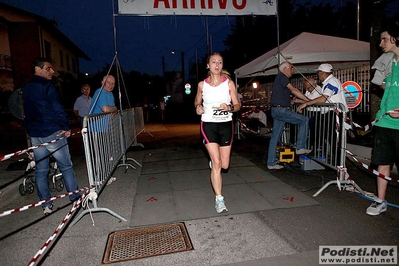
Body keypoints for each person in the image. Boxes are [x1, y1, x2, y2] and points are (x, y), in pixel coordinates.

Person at [22, 57, 80, 215]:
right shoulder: (47, 86)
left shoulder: (26, 88)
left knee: (41, 170)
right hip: (52, 132)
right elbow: (56, 107)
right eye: (48, 68)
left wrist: (30, 128)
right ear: (37, 69)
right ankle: (75, 198)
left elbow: (25, 111)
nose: (52, 71)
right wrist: (65, 126)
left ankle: (46, 205)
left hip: (35, 134)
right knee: (66, 166)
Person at [194, 52, 241, 213]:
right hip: (208, 125)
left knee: (225, 165)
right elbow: (197, 101)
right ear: (208, 65)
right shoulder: (202, 85)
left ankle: (214, 163)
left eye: (220, 62)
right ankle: (219, 199)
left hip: (226, 124)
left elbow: (237, 105)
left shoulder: (229, 83)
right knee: (218, 163)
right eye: (213, 62)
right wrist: (198, 108)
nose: (217, 65)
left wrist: (229, 107)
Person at [366, 25, 399, 216]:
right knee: (383, 163)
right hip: (385, 122)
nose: (380, 44)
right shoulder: (390, 62)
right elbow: (388, 87)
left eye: (384, 39)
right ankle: (381, 201)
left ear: (395, 38)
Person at [297, 64, 349, 164]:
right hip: (331, 112)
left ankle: (339, 163)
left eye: (319, 73)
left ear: (323, 73)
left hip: (336, 113)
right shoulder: (329, 82)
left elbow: (323, 98)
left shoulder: (332, 81)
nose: (318, 75)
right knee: (321, 129)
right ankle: (322, 152)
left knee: (332, 138)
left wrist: (306, 103)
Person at [266, 61, 311, 170]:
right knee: (304, 120)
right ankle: (300, 147)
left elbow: (289, 99)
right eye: (291, 68)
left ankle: (271, 163)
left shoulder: (279, 79)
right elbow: (294, 90)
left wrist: (297, 101)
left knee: (275, 138)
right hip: (281, 110)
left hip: (277, 110)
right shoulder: (282, 77)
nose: (292, 70)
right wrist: (309, 100)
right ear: (285, 68)